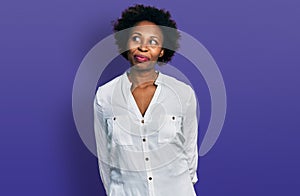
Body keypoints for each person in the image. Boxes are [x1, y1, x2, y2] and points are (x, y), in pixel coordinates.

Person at [94, 4, 198, 196]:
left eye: (153, 41)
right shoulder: (105, 96)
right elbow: (105, 161)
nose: (143, 47)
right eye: (136, 39)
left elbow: (190, 156)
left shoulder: (183, 94)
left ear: (162, 51)